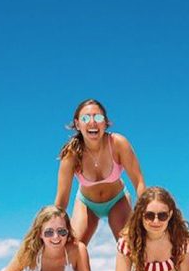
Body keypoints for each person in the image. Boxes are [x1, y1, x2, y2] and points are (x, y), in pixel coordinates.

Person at [55, 99, 145, 246]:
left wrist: (143, 216)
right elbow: (61, 202)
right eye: (85, 118)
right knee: (74, 247)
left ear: (105, 122)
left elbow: (139, 182)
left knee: (128, 246)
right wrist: (52, 229)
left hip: (118, 200)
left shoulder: (118, 143)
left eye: (98, 117)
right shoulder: (71, 155)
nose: (92, 122)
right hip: (86, 204)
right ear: (78, 124)